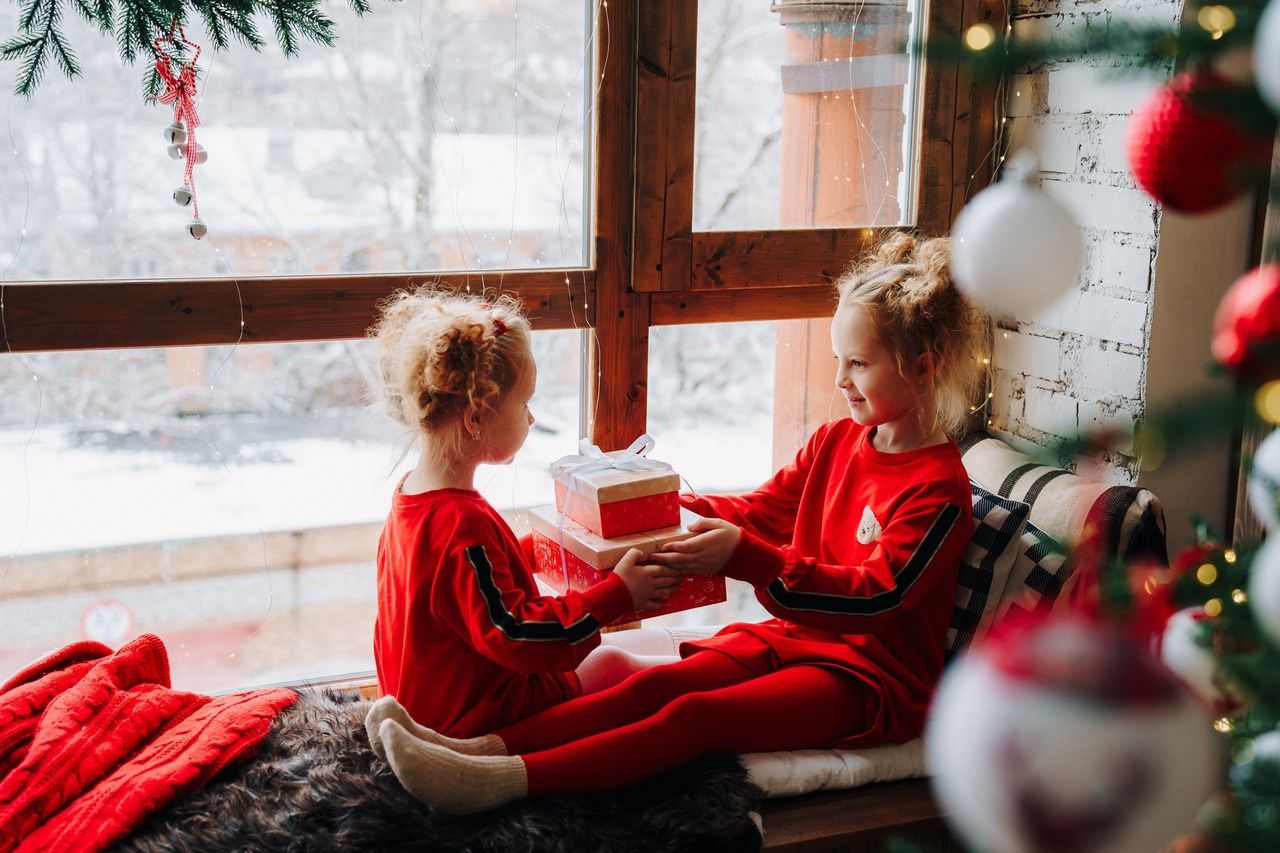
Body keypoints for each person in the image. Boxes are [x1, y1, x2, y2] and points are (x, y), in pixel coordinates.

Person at [366, 234, 987, 814]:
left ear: (924, 367)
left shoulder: (940, 490)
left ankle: (496, 781)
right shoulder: (834, 442)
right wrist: (657, 514)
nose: (838, 379)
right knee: (652, 688)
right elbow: (763, 507)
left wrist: (749, 559)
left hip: (868, 679)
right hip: (792, 639)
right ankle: (470, 752)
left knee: (694, 719)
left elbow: (877, 599)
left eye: (858, 364)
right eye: (837, 359)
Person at [366, 287, 681, 740]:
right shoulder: (463, 523)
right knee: (616, 664)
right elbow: (518, 635)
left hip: (432, 703)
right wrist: (619, 596)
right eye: (524, 403)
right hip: (474, 719)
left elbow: (462, 588)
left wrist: (542, 549)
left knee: (621, 654)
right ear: (475, 417)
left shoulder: (413, 498)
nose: (531, 420)